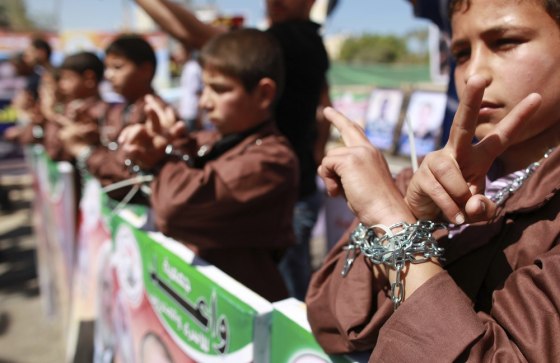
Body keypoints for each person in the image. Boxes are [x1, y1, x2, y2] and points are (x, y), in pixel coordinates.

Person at [305, 0, 560, 361]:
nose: (474, 74)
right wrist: (410, 215)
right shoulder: (430, 174)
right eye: (460, 53)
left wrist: (395, 228)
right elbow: (329, 320)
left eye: (505, 42)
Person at [133, 0, 330, 300]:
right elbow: (324, 104)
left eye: (220, 89)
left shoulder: (295, 39)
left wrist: (162, 163)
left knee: (284, 303)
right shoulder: (306, 45)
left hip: (275, 187)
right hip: (276, 182)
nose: (205, 102)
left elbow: (198, 35)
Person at [60, 34, 168, 203]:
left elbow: (127, 173)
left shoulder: (156, 113)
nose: (109, 75)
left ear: (145, 70)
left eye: (117, 67)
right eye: (107, 68)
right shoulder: (120, 110)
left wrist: (84, 150)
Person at [43, 51, 107, 163]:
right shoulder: (71, 107)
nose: (62, 85)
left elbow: (58, 152)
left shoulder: (101, 111)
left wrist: (53, 116)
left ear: (89, 78)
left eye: (68, 78)